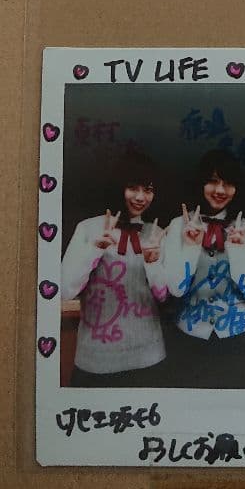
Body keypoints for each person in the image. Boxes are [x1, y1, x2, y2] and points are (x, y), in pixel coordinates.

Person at [161, 148, 245, 388]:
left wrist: (237, 251)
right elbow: (176, 289)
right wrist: (190, 247)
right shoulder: (178, 224)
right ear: (201, 183)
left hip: (239, 337)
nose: (220, 190)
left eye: (228, 183)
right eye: (213, 181)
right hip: (189, 338)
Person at [60, 151, 168, 386]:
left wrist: (152, 263)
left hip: (148, 357)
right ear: (118, 186)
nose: (140, 197)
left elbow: (162, 296)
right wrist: (95, 249)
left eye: (148, 189)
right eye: (133, 187)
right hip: (96, 359)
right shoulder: (89, 228)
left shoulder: (156, 234)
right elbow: (65, 291)